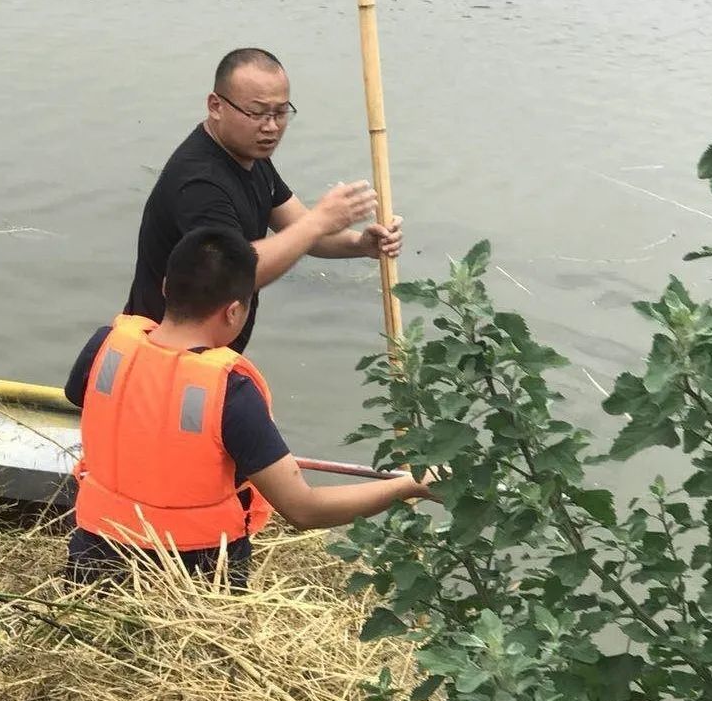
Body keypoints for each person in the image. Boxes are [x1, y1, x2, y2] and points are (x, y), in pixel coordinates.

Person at [66, 228, 437, 589]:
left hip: (94, 564)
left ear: (165, 287)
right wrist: (408, 487)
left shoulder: (105, 346)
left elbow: (96, 401)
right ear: (233, 312)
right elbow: (303, 509)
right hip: (193, 579)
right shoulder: (231, 392)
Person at [124, 47, 402, 353]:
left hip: (208, 355)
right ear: (216, 106)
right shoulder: (200, 181)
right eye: (256, 113)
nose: (270, 127)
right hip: (165, 357)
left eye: (280, 112)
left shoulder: (251, 157)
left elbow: (299, 230)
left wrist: (360, 244)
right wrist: (319, 220)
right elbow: (231, 275)